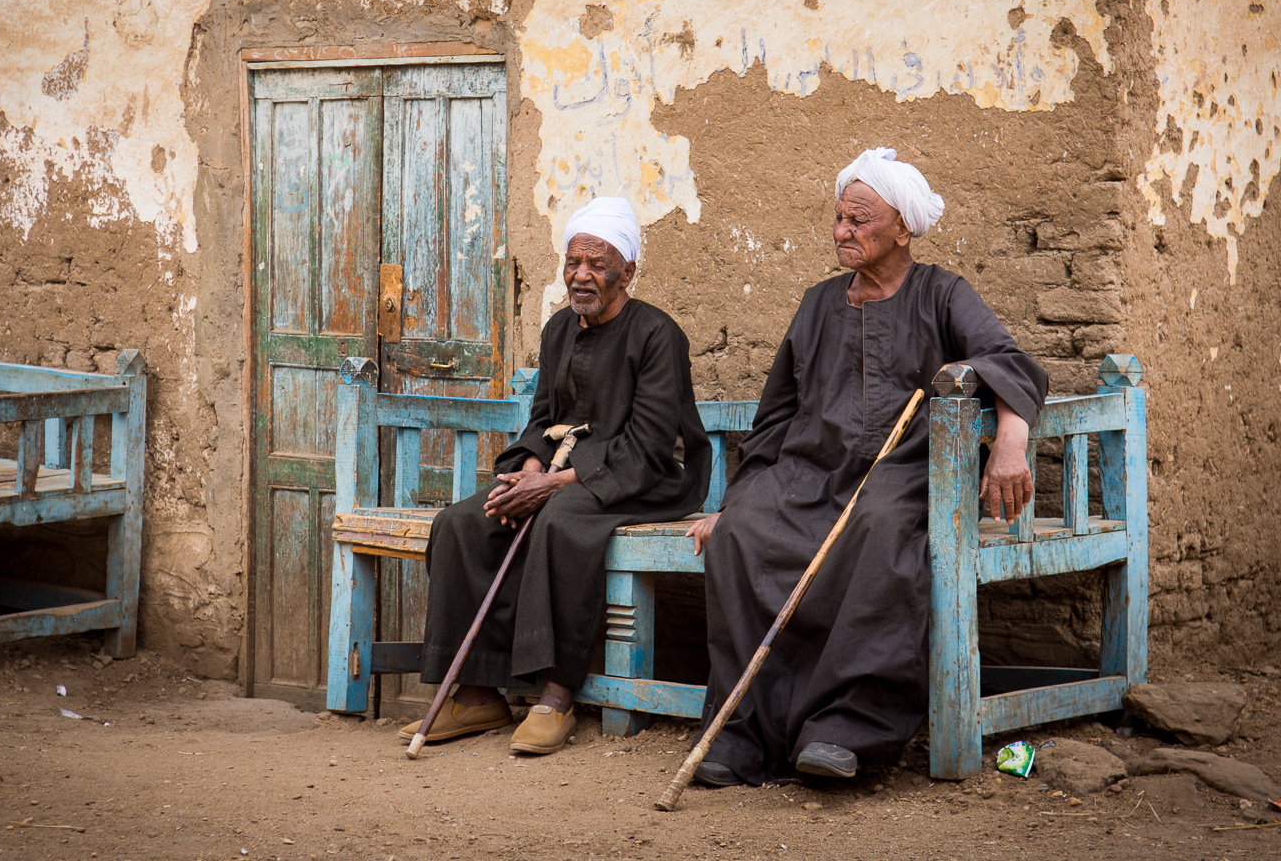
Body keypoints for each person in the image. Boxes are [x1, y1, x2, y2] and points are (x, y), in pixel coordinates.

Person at [684, 148, 1048, 786]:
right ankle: (742, 731)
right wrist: (736, 500)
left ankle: (845, 727)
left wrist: (1011, 437)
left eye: (859, 221)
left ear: (902, 229)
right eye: (838, 218)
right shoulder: (817, 303)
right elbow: (775, 418)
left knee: (882, 530)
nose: (841, 232)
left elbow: (1004, 360)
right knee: (742, 535)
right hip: (809, 472)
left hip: (902, 473)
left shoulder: (942, 293)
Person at [401, 197, 712, 755]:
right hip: (564, 471)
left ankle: (556, 693)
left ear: (628, 272)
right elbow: (542, 418)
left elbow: (652, 443)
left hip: (649, 475)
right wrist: (528, 469)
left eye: (597, 264)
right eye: (574, 263)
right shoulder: (558, 330)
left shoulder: (658, 335)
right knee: (466, 521)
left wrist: (558, 486)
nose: (582, 276)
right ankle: (476, 695)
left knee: (562, 521)